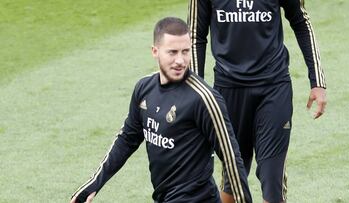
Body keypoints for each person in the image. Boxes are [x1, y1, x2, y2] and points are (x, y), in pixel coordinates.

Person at [70, 17, 252, 203]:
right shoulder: (144, 89)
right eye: (172, 52)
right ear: (155, 52)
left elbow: (232, 160)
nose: (180, 60)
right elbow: (127, 139)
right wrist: (94, 184)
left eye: (185, 51)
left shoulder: (204, 99)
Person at [188, 0, 327, 202]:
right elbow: (195, 35)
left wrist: (318, 81)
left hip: (274, 88)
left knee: (273, 182)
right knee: (233, 178)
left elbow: (301, 21)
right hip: (228, 91)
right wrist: (195, 90)